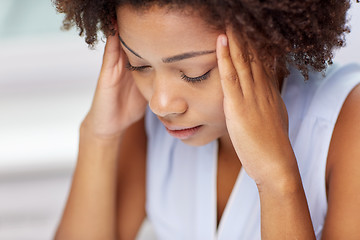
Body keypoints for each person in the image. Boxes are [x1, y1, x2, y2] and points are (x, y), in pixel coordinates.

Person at [53, 0, 360, 239]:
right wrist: (97, 136)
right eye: (140, 66)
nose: (161, 104)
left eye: (195, 73)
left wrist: (277, 178)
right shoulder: (143, 117)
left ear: (267, 44)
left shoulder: (347, 122)